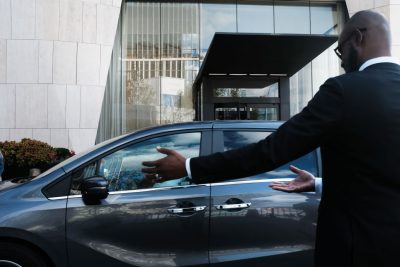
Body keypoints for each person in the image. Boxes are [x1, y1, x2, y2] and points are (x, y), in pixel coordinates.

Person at [142, 10, 400, 267]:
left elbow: (269, 152)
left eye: (341, 50)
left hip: (358, 251)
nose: (342, 61)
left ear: (357, 38)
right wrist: (320, 184)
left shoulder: (344, 90)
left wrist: (189, 166)